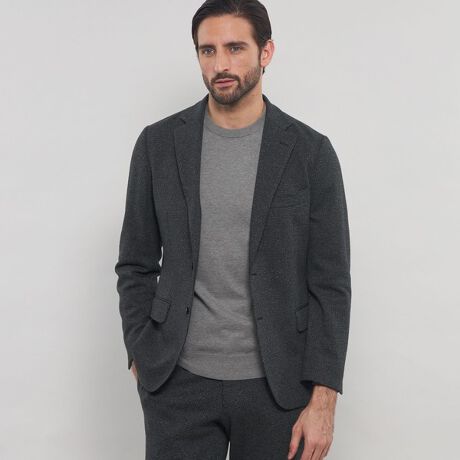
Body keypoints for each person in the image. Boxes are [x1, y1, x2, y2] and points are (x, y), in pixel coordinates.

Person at [114, 1, 351, 458]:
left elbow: (331, 283)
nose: (220, 64)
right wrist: (142, 351)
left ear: (266, 52)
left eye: (235, 48)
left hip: (279, 388)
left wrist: (324, 399)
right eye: (208, 50)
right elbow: (135, 263)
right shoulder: (157, 145)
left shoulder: (310, 153)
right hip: (178, 385)